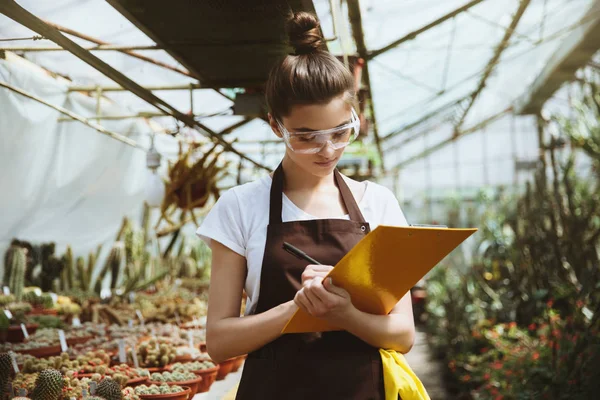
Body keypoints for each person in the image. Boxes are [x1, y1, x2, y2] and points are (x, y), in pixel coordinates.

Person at [197, 11, 415, 399]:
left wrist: (344, 313)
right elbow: (220, 341)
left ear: (354, 118)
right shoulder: (240, 207)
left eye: (339, 132)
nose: (327, 149)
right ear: (275, 126)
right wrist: (296, 310)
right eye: (306, 136)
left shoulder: (377, 203)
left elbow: (402, 334)